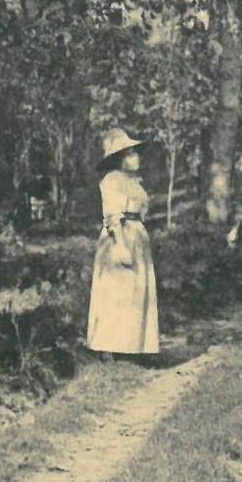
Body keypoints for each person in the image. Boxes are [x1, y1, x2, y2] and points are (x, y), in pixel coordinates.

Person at [87, 127, 159, 361]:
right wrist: (119, 245)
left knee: (135, 291)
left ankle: (134, 345)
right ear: (119, 159)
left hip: (137, 234)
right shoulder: (111, 180)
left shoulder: (134, 182)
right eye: (128, 154)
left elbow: (142, 209)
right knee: (116, 291)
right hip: (120, 235)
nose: (135, 158)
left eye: (135, 153)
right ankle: (108, 346)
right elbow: (112, 214)